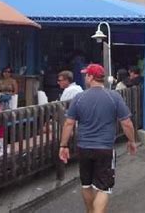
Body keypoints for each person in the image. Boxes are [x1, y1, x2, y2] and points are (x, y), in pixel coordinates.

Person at [59, 64, 137, 213]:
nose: (84, 77)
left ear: (90, 77)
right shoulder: (113, 96)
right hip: (105, 148)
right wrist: (132, 141)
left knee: (86, 184)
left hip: (84, 148)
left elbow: (69, 123)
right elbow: (126, 123)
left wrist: (63, 145)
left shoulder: (79, 98)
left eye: (86, 75)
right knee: (103, 188)